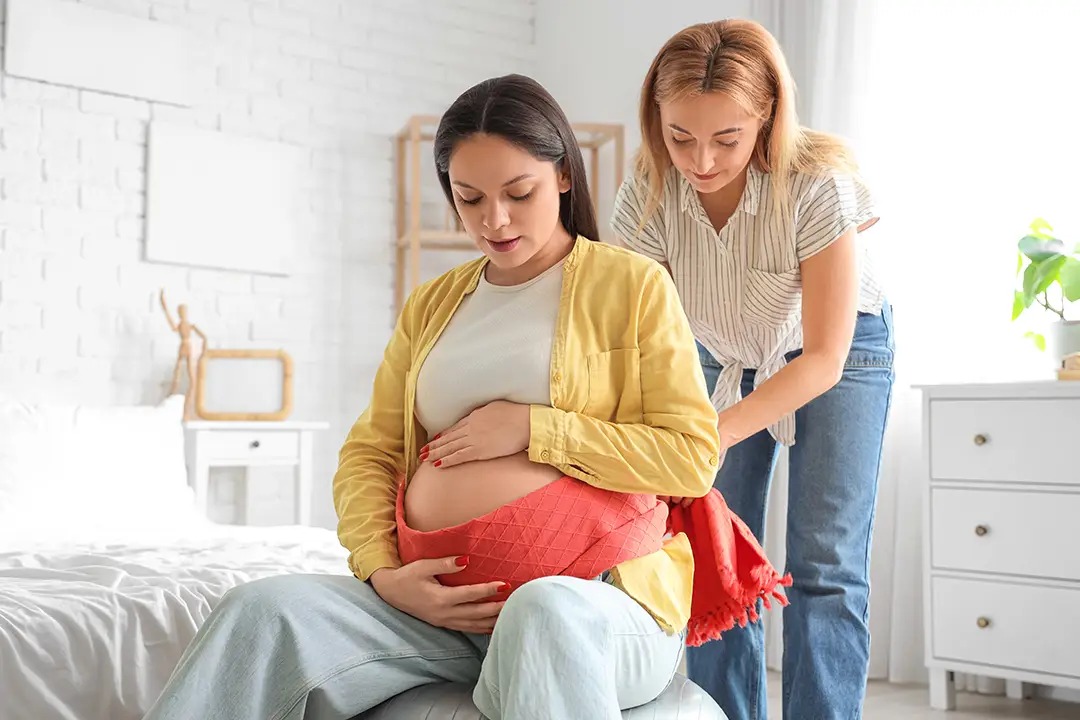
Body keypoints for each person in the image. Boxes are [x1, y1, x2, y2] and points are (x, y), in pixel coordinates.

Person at [143, 74, 728, 720]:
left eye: (518, 193)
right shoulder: (434, 304)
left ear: (563, 175)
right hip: (443, 618)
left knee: (542, 610)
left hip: (597, 603)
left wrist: (537, 429)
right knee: (257, 611)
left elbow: (691, 457)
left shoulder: (633, 287)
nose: (493, 220)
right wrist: (384, 574)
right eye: (469, 198)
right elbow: (369, 453)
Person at [610, 18, 895, 720]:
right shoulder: (648, 194)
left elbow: (824, 357)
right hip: (718, 352)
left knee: (825, 566)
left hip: (840, 351)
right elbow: (639, 335)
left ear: (765, 115)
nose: (701, 160)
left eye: (725, 139)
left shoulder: (817, 184)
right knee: (715, 554)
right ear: (657, 120)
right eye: (681, 137)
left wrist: (716, 431)